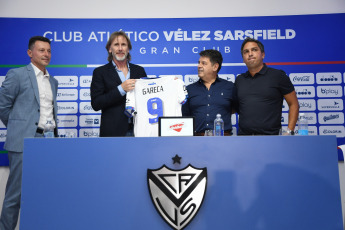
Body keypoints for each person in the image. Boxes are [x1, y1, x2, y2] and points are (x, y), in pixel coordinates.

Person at [0, 36, 58, 230]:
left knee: (43, 192)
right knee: (15, 195)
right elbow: (3, 106)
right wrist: (19, 128)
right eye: (41, 50)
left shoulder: (53, 81)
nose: (46, 54)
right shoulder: (17, 75)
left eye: (48, 51)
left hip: (49, 141)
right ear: (30, 53)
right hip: (23, 141)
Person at [235, 37, 299, 135]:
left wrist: (290, 131)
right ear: (243, 58)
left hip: (271, 139)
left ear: (263, 55)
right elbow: (234, 107)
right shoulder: (240, 80)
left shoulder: (278, 76)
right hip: (244, 139)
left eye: (254, 50)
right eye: (246, 52)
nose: (250, 54)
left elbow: (293, 104)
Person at [91, 31, 147, 137]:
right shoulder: (100, 72)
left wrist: (170, 83)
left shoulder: (139, 71)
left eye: (123, 45)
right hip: (113, 133)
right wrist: (121, 89)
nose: (120, 48)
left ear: (128, 49)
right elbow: (96, 103)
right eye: (116, 45)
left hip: (139, 130)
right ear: (109, 49)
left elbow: (147, 96)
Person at [182, 49, 236, 136]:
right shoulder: (189, 89)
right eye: (199, 62)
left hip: (224, 140)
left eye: (203, 63)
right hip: (196, 140)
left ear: (215, 67)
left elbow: (234, 109)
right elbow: (185, 116)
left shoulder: (229, 87)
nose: (199, 66)